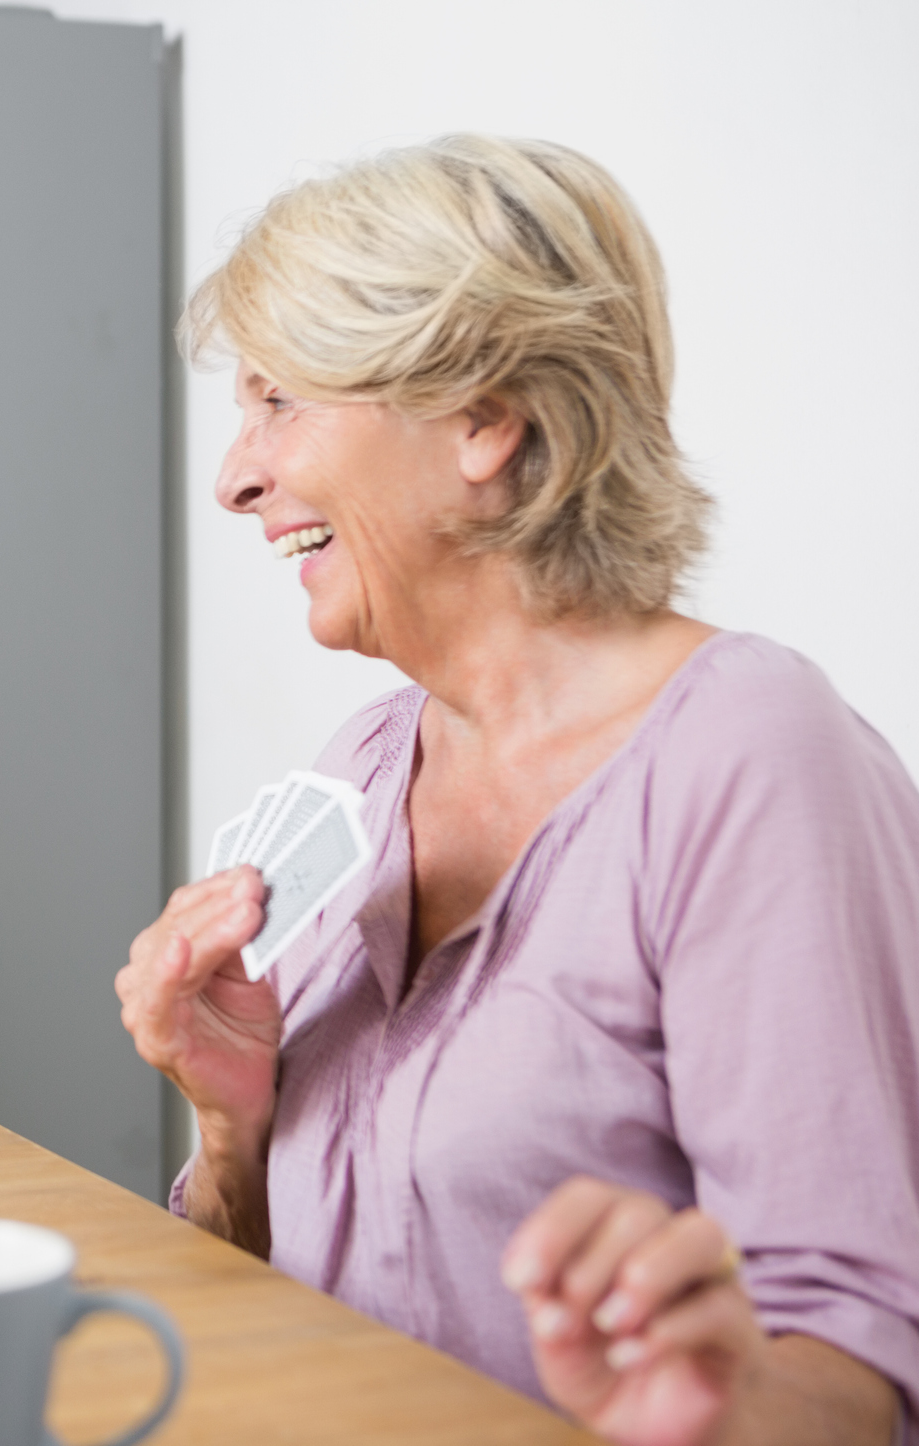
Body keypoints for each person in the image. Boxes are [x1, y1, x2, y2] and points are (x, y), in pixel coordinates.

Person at [117, 136, 918, 1445]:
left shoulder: (748, 755)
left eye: (281, 400)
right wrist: (231, 1127)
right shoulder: (363, 772)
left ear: (483, 416)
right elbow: (271, 1314)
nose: (236, 476)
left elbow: (853, 1374)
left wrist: (710, 1409)